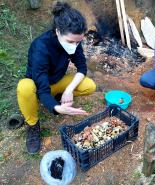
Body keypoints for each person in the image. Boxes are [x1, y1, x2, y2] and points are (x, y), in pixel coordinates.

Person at [17, 2, 96, 154]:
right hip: (38, 85)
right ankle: (33, 125)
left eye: (78, 42)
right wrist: (57, 109)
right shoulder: (40, 47)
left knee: (89, 85)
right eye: (71, 42)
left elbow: (82, 67)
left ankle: (59, 97)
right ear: (58, 32)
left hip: (57, 81)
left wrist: (69, 90)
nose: (74, 45)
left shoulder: (74, 39)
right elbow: (41, 85)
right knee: (24, 87)